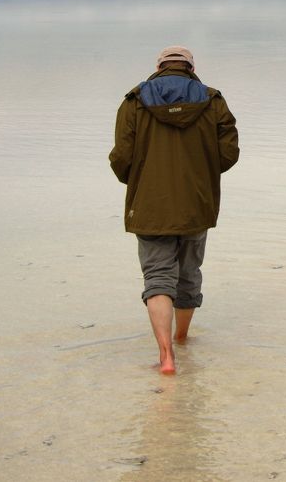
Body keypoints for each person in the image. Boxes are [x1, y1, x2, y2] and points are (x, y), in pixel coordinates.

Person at [109, 45, 239, 374]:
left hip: (150, 205)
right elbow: (229, 152)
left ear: (159, 67)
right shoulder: (212, 100)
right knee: (188, 276)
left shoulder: (134, 101)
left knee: (157, 278)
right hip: (197, 203)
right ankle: (182, 338)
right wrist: (201, 173)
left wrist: (140, 180)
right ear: (191, 68)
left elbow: (121, 156)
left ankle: (167, 355)